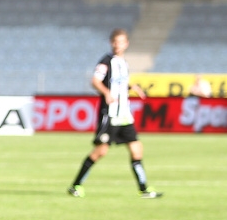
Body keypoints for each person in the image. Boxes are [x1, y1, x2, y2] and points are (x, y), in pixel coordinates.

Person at [68, 28, 163, 199]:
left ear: (126, 44)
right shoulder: (106, 61)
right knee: (100, 151)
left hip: (124, 115)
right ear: (111, 43)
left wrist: (131, 87)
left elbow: (118, 86)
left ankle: (144, 189)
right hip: (110, 114)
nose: (118, 45)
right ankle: (76, 185)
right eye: (115, 42)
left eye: (121, 42)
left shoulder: (124, 63)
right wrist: (105, 92)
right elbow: (95, 81)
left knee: (136, 150)